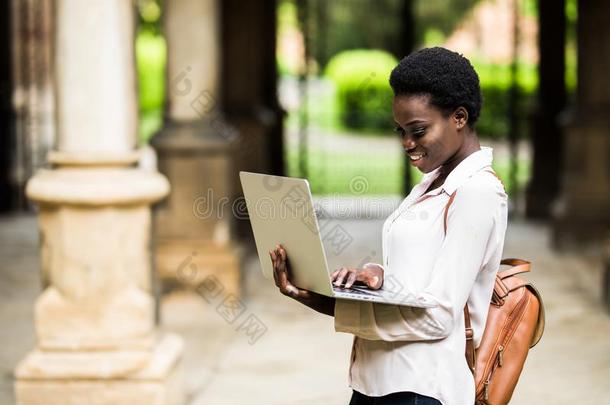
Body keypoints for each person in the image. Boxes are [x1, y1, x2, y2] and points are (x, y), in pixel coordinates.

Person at [268, 47, 508, 405]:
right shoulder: (435, 183)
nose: (407, 144)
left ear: (459, 117)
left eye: (418, 130)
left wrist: (342, 307)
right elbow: (418, 279)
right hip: (378, 382)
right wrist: (374, 278)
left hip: (421, 390)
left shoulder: (477, 192)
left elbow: (439, 317)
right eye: (400, 131)